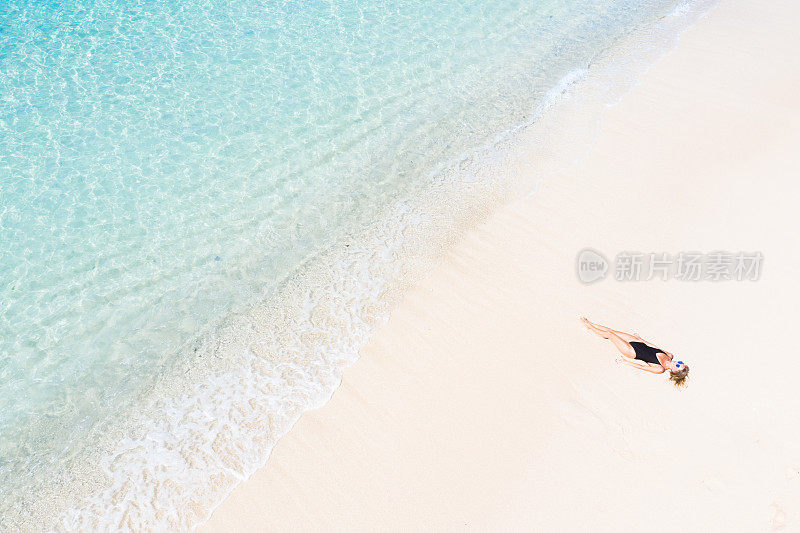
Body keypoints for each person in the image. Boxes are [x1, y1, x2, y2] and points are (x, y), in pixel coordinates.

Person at [581, 317, 689, 387]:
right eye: (680, 362)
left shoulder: (660, 369)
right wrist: (641, 339)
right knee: (612, 331)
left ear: (674, 371)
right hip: (638, 343)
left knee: (610, 335)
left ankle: (588, 326)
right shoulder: (669, 355)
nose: (677, 362)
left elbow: (642, 367)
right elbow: (654, 347)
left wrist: (626, 362)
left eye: (678, 365)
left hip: (632, 352)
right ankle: (591, 323)